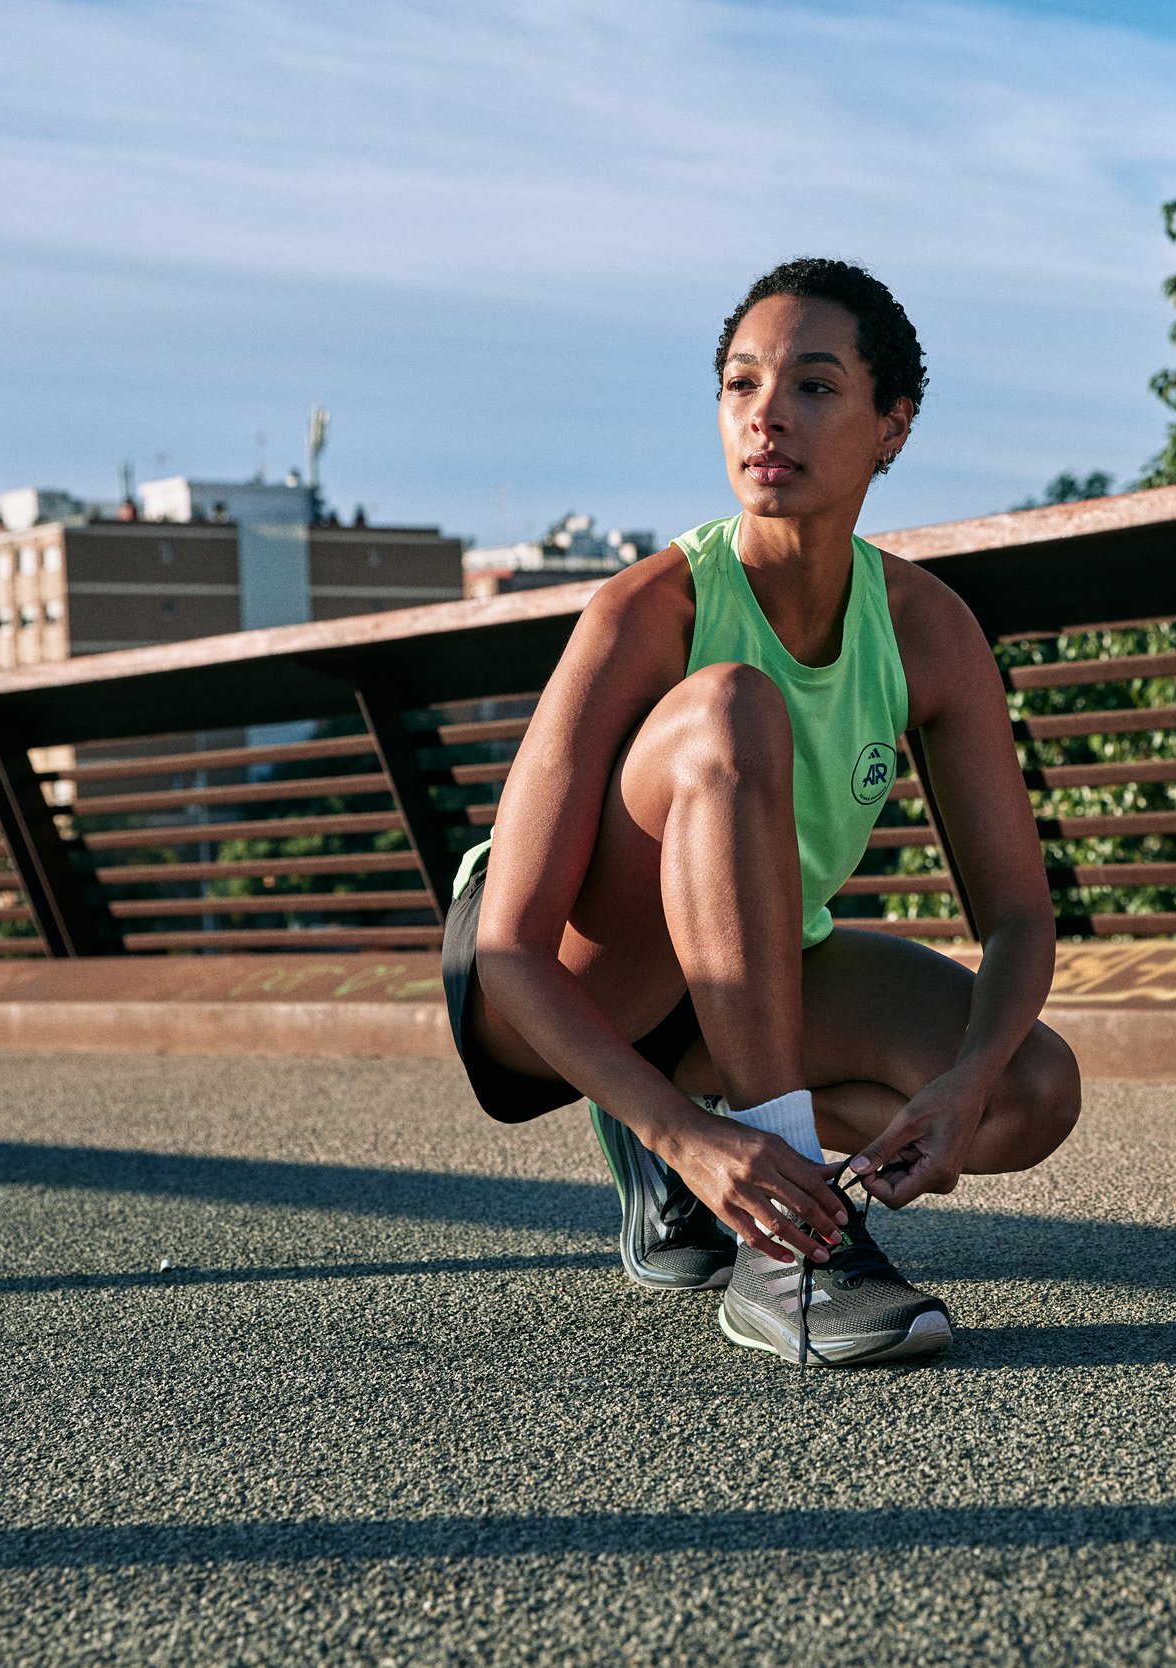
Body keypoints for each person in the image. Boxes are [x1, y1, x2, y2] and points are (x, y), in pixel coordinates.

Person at [440, 257, 1079, 1366]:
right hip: (560, 976)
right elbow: (509, 949)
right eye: (741, 384)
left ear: (892, 426)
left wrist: (962, 1083)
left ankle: (726, 1138)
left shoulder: (928, 631)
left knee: (1030, 1090)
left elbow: (1020, 917)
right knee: (730, 706)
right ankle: (782, 1253)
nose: (766, 415)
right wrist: (682, 1134)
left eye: (814, 386)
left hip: (743, 976)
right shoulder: (650, 608)